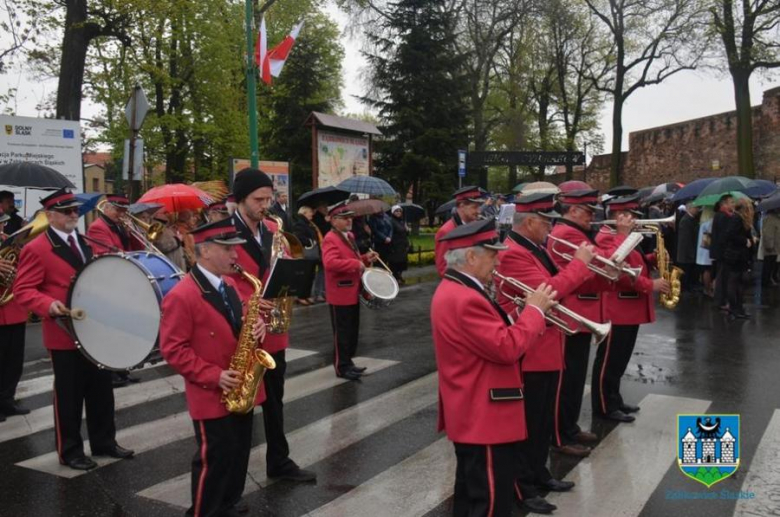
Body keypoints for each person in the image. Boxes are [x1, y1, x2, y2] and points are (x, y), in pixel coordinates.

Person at [431, 218, 556, 517]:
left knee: (470, 496)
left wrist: (520, 313)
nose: (498, 261)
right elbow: (507, 348)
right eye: (492, 254)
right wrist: (535, 312)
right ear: (471, 257)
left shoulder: (459, 288)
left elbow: (488, 337)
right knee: (490, 503)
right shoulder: (464, 297)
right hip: (483, 414)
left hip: (474, 410)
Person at [13, 188, 134, 471]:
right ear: (50, 215)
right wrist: (48, 304)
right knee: (69, 395)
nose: (73, 215)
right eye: (66, 211)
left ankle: (104, 442)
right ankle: (70, 451)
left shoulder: (86, 241)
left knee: (101, 390)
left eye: (75, 210)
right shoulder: (37, 247)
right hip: (64, 332)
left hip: (94, 330)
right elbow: (23, 290)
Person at [159, 218, 267, 517]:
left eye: (236, 249)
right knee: (214, 458)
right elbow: (173, 350)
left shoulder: (230, 284)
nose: (236, 256)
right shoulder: (182, 295)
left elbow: (241, 321)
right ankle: (204, 510)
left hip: (240, 386)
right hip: (212, 392)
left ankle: (227, 502)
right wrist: (215, 376)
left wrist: (257, 326)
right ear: (204, 251)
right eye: (228, 249)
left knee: (238, 452)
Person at [496, 193, 596, 513]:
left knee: (540, 422)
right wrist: (579, 265)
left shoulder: (534, 248)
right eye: (546, 221)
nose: (551, 227)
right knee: (526, 424)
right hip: (532, 350)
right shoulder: (513, 254)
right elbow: (549, 292)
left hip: (549, 345)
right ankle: (522, 487)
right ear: (529, 222)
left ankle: (539, 474)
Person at [228, 168, 316, 483]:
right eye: (258, 199)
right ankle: (231, 482)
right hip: (243, 329)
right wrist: (246, 308)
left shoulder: (271, 227)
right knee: (242, 407)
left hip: (274, 330)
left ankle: (279, 461)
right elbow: (222, 277)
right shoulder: (225, 232)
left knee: (275, 401)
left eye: (269, 198)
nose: (265, 204)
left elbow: (280, 264)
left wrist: (292, 280)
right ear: (240, 199)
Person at [546, 188, 632, 457]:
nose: (591, 217)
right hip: (573, 312)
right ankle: (560, 434)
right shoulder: (567, 234)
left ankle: (569, 427)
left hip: (583, 312)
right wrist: (622, 236)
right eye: (587, 212)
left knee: (575, 376)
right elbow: (605, 262)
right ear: (572, 210)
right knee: (568, 379)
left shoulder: (575, 232)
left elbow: (597, 271)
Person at [593, 195, 670, 423]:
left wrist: (652, 259)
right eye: (631, 216)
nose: (636, 220)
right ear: (620, 217)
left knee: (620, 359)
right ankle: (605, 406)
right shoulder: (608, 237)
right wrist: (651, 285)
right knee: (609, 361)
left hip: (630, 307)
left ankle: (614, 399)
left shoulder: (622, 236)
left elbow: (634, 262)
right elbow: (618, 269)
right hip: (617, 308)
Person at [86, 193, 145, 387]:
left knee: (124, 328)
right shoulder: (97, 228)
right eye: (119, 210)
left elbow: (140, 248)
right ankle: (111, 372)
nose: (122, 214)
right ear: (108, 208)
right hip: (108, 284)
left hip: (124, 281)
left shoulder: (120, 226)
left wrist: (133, 231)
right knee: (111, 330)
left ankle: (122, 370)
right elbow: (104, 253)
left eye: (124, 211)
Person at [321, 200, 379, 381]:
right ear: (333, 220)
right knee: (342, 332)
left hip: (352, 291)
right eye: (344, 218)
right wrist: (356, 263)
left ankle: (348, 362)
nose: (349, 221)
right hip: (340, 293)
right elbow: (330, 263)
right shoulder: (330, 238)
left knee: (352, 331)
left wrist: (366, 258)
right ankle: (341, 366)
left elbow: (354, 260)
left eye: (350, 218)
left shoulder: (349, 237)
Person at [0, 212, 30, 422]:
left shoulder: (6, 242)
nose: (1, 229)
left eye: (1, 224)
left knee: (14, 361)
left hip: (13, 307)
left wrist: (20, 253)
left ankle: (7, 400)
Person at [434, 186, 484, 277]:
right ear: (461, 206)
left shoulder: (476, 226)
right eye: (475, 207)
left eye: (479, 207)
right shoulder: (446, 232)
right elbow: (443, 269)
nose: (479, 211)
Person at [722, 198, 755, 319]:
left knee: (740, 282)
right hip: (736, 256)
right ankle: (734, 308)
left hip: (740, 255)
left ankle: (738, 308)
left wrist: (750, 241)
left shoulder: (740, 219)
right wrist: (745, 241)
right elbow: (730, 235)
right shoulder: (736, 219)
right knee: (734, 282)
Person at [292, 205, 322, 305]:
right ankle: (301, 296)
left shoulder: (308, 223)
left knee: (310, 275)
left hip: (311, 254)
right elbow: (298, 236)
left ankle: (306, 295)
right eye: (310, 212)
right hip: (306, 253)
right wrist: (310, 242)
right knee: (305, 276)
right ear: (304, 213)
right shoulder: (300, 224)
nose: (312, 214)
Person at [710, 194, 736, 311]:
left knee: (722, 276)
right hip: (723, 252)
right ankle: (720, 301)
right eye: (731, 202)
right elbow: (723, 236)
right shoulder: (723, 216)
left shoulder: (720, 215)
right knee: (722, 277)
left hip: (720, 252)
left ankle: (721, 300)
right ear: (724, 204)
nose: (733, 204)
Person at [676, 203, 700, 292]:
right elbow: (686, 239)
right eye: (696, 207)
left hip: (688, 251)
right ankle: (685, 288)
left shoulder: (691, 219)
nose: (697, 209)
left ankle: (688, 286)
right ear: (690, 208)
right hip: (686, 252)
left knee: (689, 271)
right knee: (686, 271)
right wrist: (691, 252)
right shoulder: (686, 220)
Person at [387, 205, 409, 284]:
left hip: (402, 244)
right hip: (395, 244)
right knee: (395, 262)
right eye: (396, 211)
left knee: (402, 262)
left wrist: (407, 229)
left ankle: (399, 275)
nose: (398, 213)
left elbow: (405, 233)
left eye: (400, 211)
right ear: (393, 212)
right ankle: (396, 277)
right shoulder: (391, 221)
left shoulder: (402, 221)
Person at [696, 207, 715, 297]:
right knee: (708, 271)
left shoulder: (702, 222)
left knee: (705, 271)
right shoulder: (710, 223)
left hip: (702, 251)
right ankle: (708, 289)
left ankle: (706, 288)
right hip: (707, 251)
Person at [759, 209, 780, 287]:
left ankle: (768, 280)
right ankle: (766, 282)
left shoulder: (775, 218)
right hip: (771, 246)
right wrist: (769, 245)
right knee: (768, 265)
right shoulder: (770, 219)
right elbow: (768, 234)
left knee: (771, 265)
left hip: (775, 246)